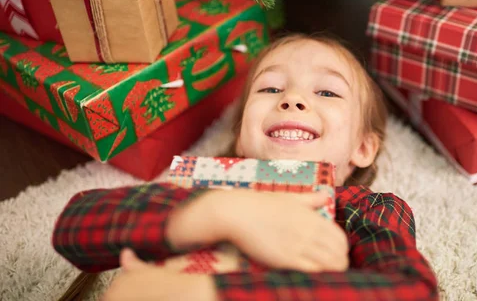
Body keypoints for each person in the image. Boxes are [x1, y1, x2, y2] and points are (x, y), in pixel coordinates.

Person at [52, 34, 439, 301]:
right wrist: (215, 212)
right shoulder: (201, 185)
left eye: (326, 91)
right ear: (241, 136)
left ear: (363, 148)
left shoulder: (366, 207)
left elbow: (410, 290)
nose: (292, 99)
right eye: (270, 88)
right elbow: (73, 226)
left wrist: (206, 293)